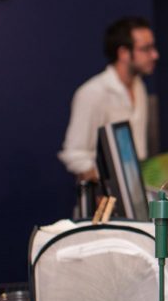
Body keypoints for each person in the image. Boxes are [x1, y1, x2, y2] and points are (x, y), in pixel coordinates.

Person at [59, 17, 158, 180]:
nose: (154, 55)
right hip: (108, 197)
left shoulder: (139, 86)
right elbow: (74, 154)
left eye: (153, 47)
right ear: (123, 53)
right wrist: (107, 182)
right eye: (146, 49)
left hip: (137, 190)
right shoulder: (93, 93)